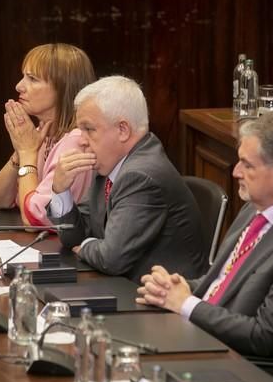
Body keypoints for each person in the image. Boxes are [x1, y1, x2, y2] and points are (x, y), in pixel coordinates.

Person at [136, 111, 273, 382]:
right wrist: (176, 287)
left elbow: (265, 336)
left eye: (247, 165)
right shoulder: (255, 207)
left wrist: (186, 304)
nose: (235, 172)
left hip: (253, 373)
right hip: (209, 342)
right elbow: (223, 282)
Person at [47, 75, 207, 283]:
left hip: (162, 305)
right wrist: (61, 192)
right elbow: (73, 237)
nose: (82, 141)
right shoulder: (111, 164)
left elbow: (111, 258)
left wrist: (86, 246)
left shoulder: (140, 176)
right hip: (126, 288)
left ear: (123, 130)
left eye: (89, 129)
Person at [0, 43, 95, 227]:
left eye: (32, 79)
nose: (19, 86)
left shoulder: (76, 142)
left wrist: (27, 152)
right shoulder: (40, 135)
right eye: (23, 77)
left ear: (62, 87)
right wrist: (20, 153)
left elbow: (33, 220)